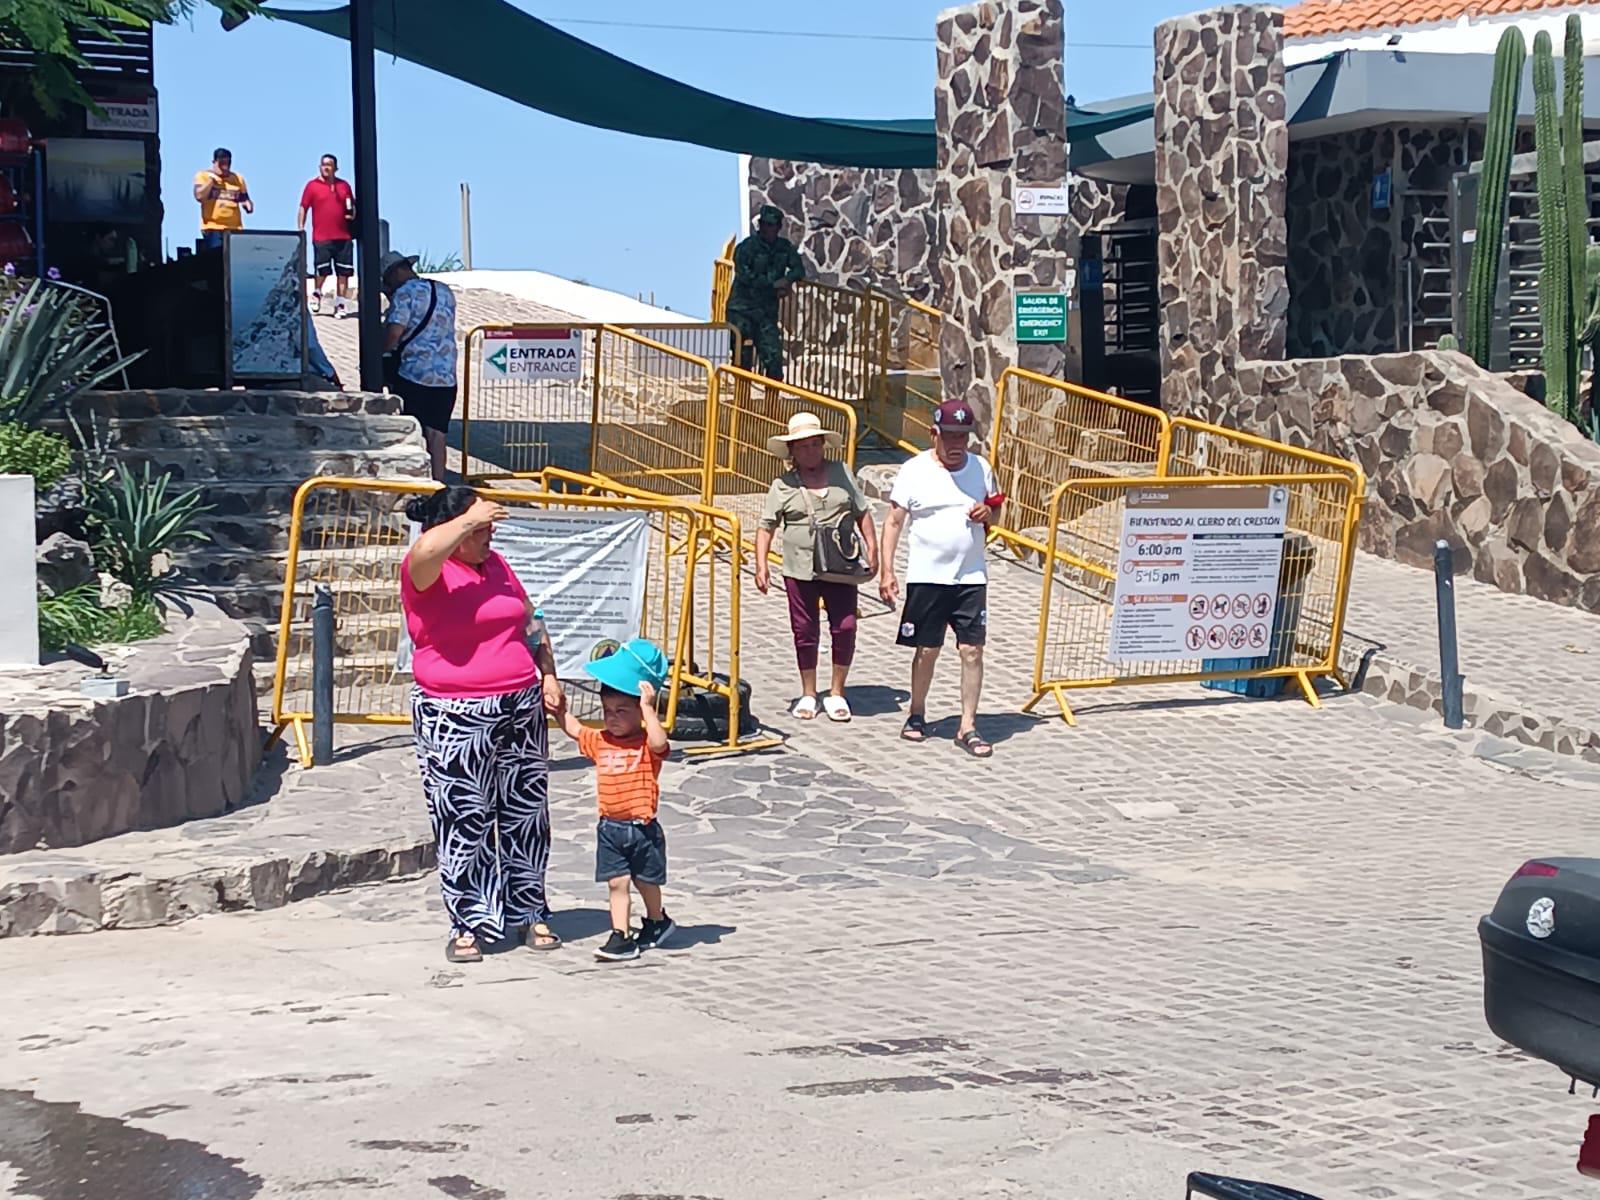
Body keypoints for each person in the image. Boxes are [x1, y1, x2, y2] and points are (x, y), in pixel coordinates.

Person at [401, 486, 565, 963]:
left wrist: (548, 674)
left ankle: (530, 910)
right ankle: (468, 923)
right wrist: (469, 518)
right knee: (464, 819)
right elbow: (427, 547)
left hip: (518, 706)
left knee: (526, 816)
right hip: (455, 714)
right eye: (482, 530)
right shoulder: (428, 571)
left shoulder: (495, 567)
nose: (490, 536)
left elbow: (530, 621)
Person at [878, 398, 1004, 758]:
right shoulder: (914, 470)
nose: (956, 445)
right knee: (927, 648)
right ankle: (916, 713)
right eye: (949, 436)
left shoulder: (981, 468)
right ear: (934, 434)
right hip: (927, 577)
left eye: (962, 437)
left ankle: (968, 726)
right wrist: (887, 571)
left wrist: (988, 515)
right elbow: (894, 522)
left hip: (971, 576)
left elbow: (997, 512)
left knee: (972, 650)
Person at [550, 638, 675, 963]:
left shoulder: (647, 744)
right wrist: (560, 711)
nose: (613, 718)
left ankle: (657, 920)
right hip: (610, 829)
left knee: (646, 881)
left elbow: (661, 742)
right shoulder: (601, 741)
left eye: (622, 711)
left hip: (643, 830)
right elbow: (576, 729)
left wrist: (649, 710)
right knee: (617, 883)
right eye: (607, 711)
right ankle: (620, 935)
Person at [754, 411, 878, 722]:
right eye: (803, 446)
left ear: (823, 445)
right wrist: (761, 564)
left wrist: (873, 549)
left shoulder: (841, 473)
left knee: (845, 625)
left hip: (840, 563)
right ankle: (809, 692)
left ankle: (837, 691)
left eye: (815, 444)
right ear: (792, 451)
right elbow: (766, 526)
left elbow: (862, 512)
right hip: (800, 568)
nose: (810, 451)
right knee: (805, 629)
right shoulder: (782, 485)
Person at [382, 250, 458, 482]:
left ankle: (414, 482)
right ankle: (438, 484)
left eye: (387, 281)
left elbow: (395, 333)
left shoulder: (404, 294)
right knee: (437, 434)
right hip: (446, 376)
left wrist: (381, 351)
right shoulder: (444, 290)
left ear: (396, 272)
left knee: (412, 431)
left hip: (414, 374)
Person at [727, 204, 804, 381]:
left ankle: (772, 406)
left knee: (774, 360)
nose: (768, 229)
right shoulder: (746, 248)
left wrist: (787, 280)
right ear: (760, 225)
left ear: (778, 227)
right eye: (765, 224)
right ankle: (742, 404)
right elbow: (746, 276)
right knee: (742, 362)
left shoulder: (783, 248)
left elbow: (798, 269)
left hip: (765, 314)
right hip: (742, 311)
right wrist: (774, 286)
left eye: (772, 225)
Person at [298, 153, 356, 317]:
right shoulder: (312, 186)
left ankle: (340, 303)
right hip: (322, 236)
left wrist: (352, 216)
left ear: (335, 168)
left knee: (343, 272)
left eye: (329, 165)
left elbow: (351, 205)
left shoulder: (344, 186)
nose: (326, 167)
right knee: (322, 270)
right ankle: (316, 294)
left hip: (343, 236)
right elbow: (303, 207)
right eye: (323, 164)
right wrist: (301, 228)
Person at [193, 148, 251, 250]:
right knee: (216, 258)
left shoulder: (237, 179)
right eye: (221, 163)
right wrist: (211, 181)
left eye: (227, 163)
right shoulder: (203, 176)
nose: (224, 167)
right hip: (213, 228)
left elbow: (245, 199)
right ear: (214, 162)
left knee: (233, 258)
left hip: (234, 229)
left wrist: (247, 205)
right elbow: (199, 196)